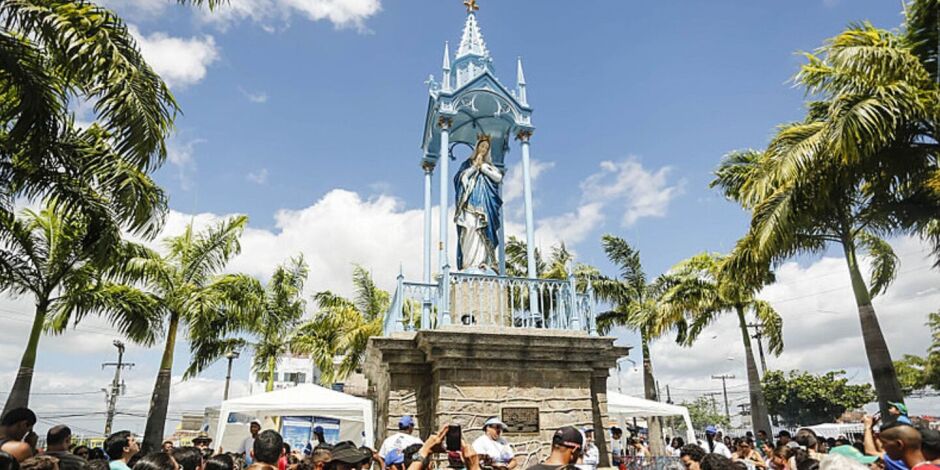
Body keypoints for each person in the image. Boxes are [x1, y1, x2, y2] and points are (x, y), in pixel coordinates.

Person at [453, 133, 503, 273]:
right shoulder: (467, 164)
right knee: (469, 228)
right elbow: (460, 179)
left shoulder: (489, 166)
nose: (483, 149)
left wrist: (484, 168)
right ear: (477, 147)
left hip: (485, 203)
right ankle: (468, 263)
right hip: (469, 204)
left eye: (486, 148)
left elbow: (498, 178)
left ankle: (484, 262)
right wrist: (475, 167)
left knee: (484, 230)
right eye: (481, 146)